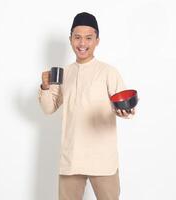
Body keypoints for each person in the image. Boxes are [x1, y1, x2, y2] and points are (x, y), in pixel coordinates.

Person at [38, 12, 135, 200]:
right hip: (71, 158)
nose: (82, 43)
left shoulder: (108, 72)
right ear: (70, 39)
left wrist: (126, 111)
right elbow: (49, 108)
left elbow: (126, 107)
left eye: (88, 38)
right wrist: (45, 87)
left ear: (97, 40)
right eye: (77, 37)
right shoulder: (64, 73)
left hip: (102, 159)